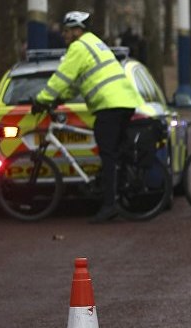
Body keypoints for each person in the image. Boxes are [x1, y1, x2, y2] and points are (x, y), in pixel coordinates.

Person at [32, 11, 144, 223]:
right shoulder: (96, 43)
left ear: (77, 31)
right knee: (114, 152)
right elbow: (76, 84)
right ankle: (121, 194)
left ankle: (110, 205)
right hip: (125, 101)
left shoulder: (79, 47)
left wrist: (42, 99)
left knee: (107, 153)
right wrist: (59, 100)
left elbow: (61, 78)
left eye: (67, 31)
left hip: (109, 105)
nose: (64, 35)